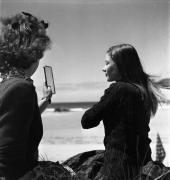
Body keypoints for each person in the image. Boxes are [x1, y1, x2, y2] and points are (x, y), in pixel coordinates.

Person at [0, 12, 77, 180]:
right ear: (33, 53)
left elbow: (15, 122)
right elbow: (7, 159)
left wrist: (44, 100)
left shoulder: (7, 84)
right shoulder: (21, 87)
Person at [80, 44, 168, 180]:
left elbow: (87, 121)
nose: (103, 68)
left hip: (118, 168)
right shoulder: (142, 90)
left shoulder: (118, 89)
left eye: (107, 63)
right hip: (142, 163)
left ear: (121, 65)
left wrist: (101, 104)